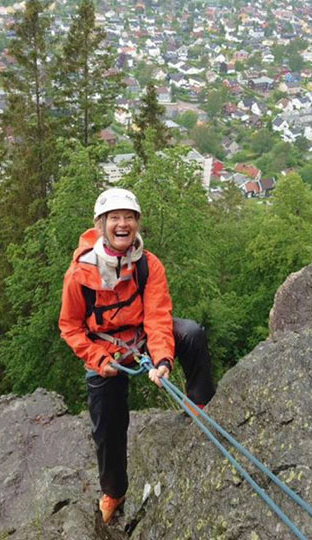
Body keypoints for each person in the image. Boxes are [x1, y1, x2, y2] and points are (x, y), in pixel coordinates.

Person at [59, 187, 216, 524]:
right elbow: (70, 327)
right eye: (114, 218)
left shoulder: (147, 264)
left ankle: (199, 404)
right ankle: (114, 491)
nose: (123, 224)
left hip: (142, 339)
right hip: (105, 352)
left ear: (137, 224)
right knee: (107, 427)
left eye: (129, 218)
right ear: (101, 225)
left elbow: (157, 315)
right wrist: (99, 359)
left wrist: (162, 360)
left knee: (191, 334)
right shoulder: (79, 274)